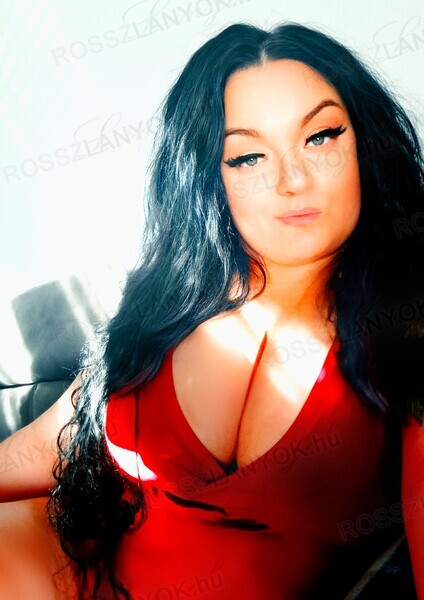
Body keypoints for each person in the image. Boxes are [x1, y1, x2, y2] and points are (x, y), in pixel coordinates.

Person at [0, 20, 423, 600]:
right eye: (248, 157)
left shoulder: (403, 328)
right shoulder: (166, 300)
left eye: (321, 137)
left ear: (365, 143)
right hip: (55, 565)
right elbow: (49, 445)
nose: (292, 179)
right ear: (207, 176)